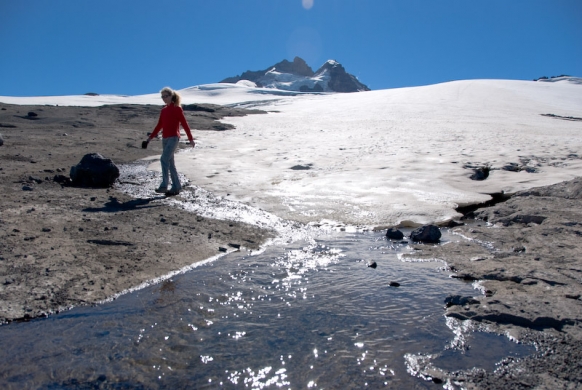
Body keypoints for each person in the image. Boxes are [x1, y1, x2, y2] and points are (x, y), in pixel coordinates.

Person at [144, 87, 195, 196]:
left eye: (166, 96)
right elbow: (159, 126)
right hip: (165, 139)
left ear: (171, 96)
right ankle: (176, 186)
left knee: (164, 159)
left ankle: (164, 185)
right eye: (162, 97)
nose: (164, 98)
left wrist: (190, 139)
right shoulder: (163, 110)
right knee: (170, 164)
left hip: (173, 138)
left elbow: (184, 124)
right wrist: (149, 139)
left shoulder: (177, 109)